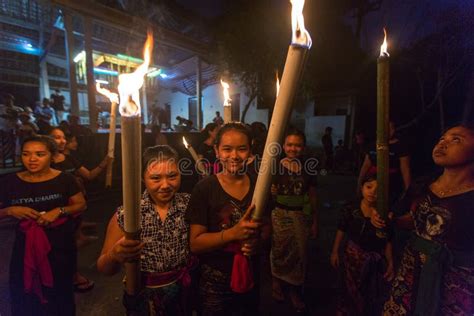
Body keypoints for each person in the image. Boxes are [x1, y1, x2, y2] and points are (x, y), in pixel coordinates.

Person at [371, 124, 474, 316]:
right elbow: (415, 221)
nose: (443, 143)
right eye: (442, 138)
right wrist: (390, 220)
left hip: (456, 278)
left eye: (456, 139)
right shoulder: (422, 185)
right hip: (412, 270)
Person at [97, 145, 195, 315]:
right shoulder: (127, 214)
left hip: (182, 291)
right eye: (155, 178)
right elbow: (104, 268)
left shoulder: (189, 205)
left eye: (172, 176)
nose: (165, 185)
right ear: (142, 178)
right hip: (142, 294)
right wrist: (115, 254)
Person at [0, 135, 86, 315]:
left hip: (59, 246)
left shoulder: (65, 179)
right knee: (24, 292)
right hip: (24, 247)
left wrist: (59, 211)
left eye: (40, 154)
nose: (32, 159)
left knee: (60, 293)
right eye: (26, 154)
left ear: (52, 157)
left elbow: (80, 204)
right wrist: (10, 210)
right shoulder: (9, 182)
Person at [187, 122, 264, 315]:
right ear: (217, 150)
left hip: (252, 272)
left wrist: (258, 242)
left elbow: (266, 228)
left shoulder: (259, 186)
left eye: (242, 149)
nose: (234, 156)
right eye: (227, 149)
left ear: (250, 150)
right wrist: (232, 234)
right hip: (214, 278)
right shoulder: (205, 188)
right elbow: (195, 243)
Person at [330, 175, 394, 315]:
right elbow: (341, 230)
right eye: (369, 187)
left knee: (368, 293)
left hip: (373, 261)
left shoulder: (384, 213)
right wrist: (334, 252)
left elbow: (388, 239)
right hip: (352, 257)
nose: (372, 192)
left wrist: (390, 261)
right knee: (347, 288)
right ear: (362, 188)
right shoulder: (351, 208)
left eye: (378, 190)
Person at [270, 128, 318, 312]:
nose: (293, 148)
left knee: (300, 253)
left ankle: (294, 290)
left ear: (303, 148)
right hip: (279, 214)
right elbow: (265, 192)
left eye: (297, 145)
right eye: (289, 144)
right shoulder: (274, 166)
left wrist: (315, 220)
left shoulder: (308, 167)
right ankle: (276, 282)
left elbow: (313, 195)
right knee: (279, 250)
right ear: (283, 146)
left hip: (300, 215)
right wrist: (271, 193)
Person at [358, 121, 411, 205]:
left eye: (390, 128)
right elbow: (366, 165)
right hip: (371, 181)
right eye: (384, 128)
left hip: (391, 183)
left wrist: (408, 190)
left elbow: (405, 169)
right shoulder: (372, 145)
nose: (387, 131)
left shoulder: (400, 146)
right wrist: (359, 182)